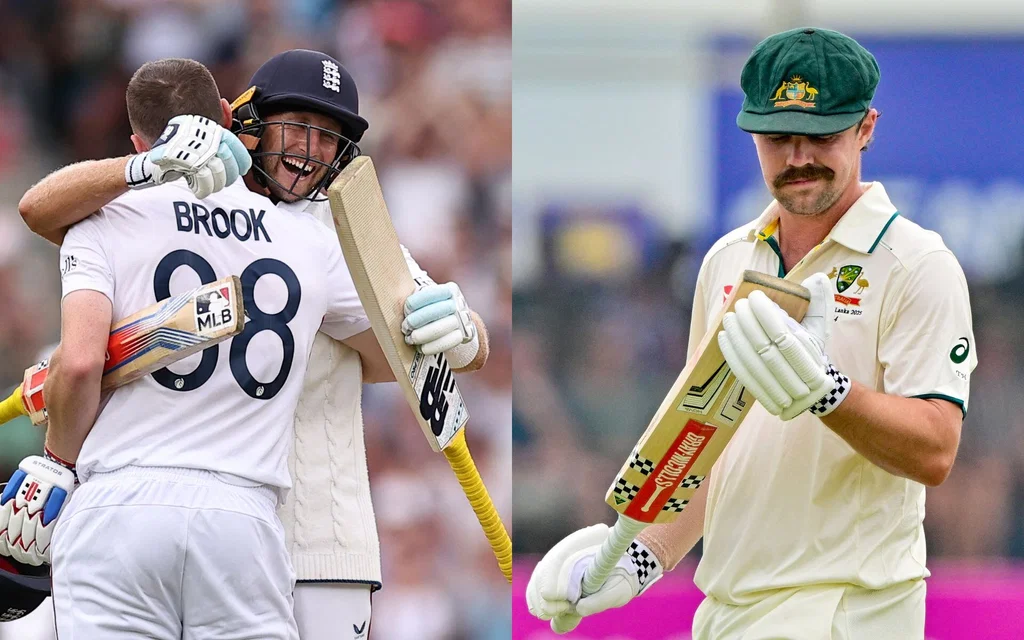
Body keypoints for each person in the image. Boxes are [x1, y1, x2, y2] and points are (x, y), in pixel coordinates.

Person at [13, 50, 490, 639]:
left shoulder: (326, 229)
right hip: (246, 522)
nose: (311, 151)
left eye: (330, 138)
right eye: (298, 126)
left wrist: (467, 331)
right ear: (237, 118)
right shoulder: (303, 241)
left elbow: (419, 348)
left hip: (308, 536)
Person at [527, 27, 976, 640]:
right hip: (727, 611)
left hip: (849, 609)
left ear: (866, 128)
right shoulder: (727, 260)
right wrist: (639, 558)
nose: (797, 159)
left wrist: (829, 394)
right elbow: (704, 446)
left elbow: (935, 449)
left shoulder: (917, 263)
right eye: (777, 138)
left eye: (820, 135)